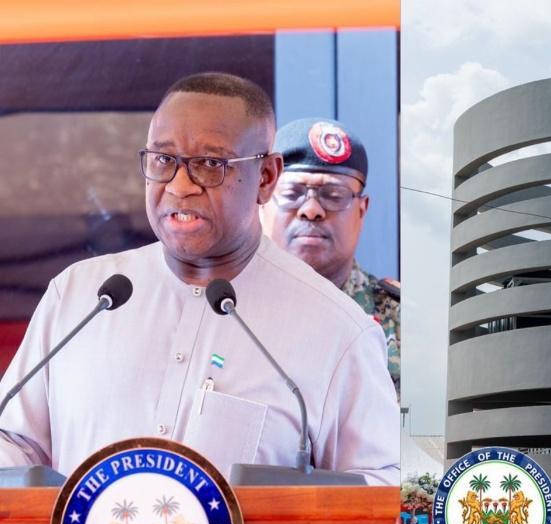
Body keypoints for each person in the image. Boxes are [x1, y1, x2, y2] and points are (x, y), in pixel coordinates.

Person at [0, 73, 401, 484]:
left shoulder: (336, 330)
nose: (180, 185)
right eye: (163, 160)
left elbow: (376, 492)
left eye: (210, 164)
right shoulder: (80, 296)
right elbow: (14, 441)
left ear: (265, 177)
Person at [261, 117, 400, 400]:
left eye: (334, 196)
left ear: (362, 211)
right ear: (261, 202)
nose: (311, 210)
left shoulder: (405, 321)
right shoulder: (225, 311)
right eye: (291, 194)